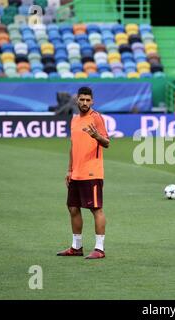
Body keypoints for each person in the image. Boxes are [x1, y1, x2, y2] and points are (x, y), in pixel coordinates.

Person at [57, 87, 110, 259]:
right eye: (82, 99)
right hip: (76, 173)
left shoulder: (96, 118)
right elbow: (73, 147)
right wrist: (69, 170)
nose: (85, 103)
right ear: (77, 101)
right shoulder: (74, 120)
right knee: (73, 208)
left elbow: (107, 142)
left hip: (92, 172)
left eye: (88, 100)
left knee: (96, 209)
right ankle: (76, 247)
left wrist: (96, 136)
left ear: (92, 101)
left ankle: (100, 249)